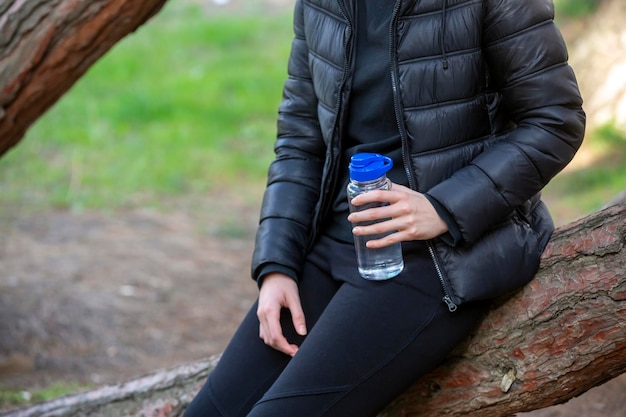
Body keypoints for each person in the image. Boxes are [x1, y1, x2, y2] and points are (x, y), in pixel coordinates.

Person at [184, 0, 585, 415]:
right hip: (332, 241)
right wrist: (277, 265)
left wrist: (443, 208)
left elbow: (555, 120)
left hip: (441, 254)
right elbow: (301, 138)